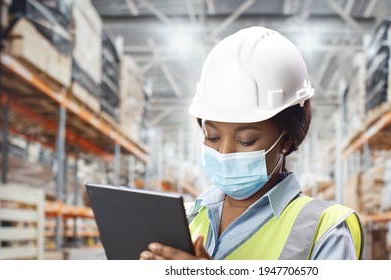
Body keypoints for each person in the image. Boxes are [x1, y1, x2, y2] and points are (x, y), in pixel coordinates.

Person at [140, 26, 364, 260]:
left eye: (246, 141)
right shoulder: (184, 220)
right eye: (212, 137)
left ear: (286, 139)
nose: (224, 152)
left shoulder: (326, 230)